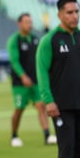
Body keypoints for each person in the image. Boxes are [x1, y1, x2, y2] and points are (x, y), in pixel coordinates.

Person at [36, 0, 80, 158]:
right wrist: (48, 100)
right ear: (59, 14)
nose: (74, 16)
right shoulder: (51, 40)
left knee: (79, 146)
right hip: (61, 104)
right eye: (69, 12)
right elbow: (42, 71)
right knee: (67, 147)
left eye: (77, 12)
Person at [6, 13, 56, 147]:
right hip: (20, 84)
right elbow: (14, 61)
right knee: (19, 109)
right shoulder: (14, 40)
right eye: (26, 22)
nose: (29, 24)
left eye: (30, 21)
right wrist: (23, 76)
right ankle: (14, 135)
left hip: (35, 81)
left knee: (42, 106)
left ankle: (47, 135)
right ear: (20, 24)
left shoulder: (35, 39)